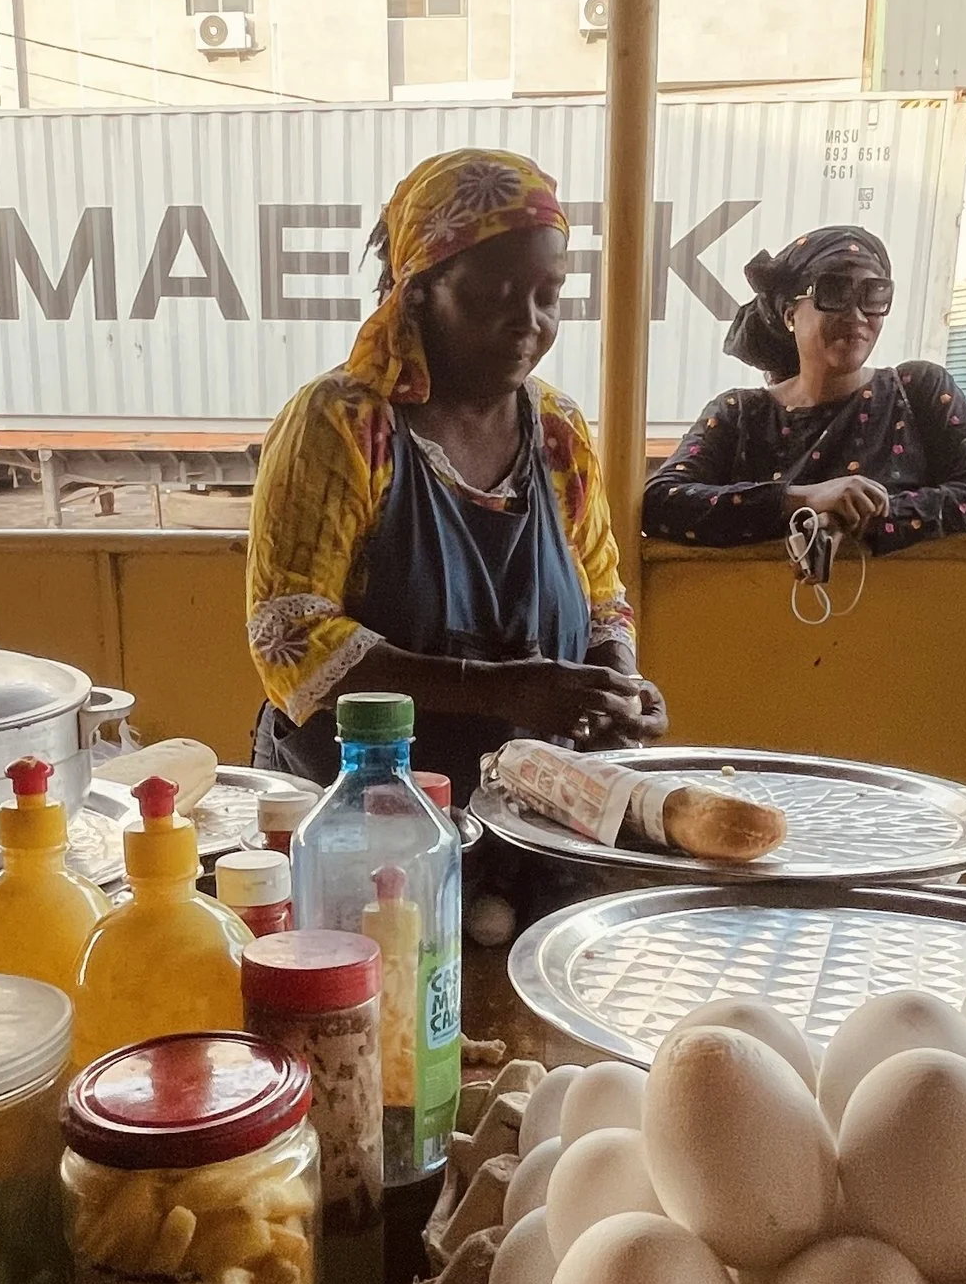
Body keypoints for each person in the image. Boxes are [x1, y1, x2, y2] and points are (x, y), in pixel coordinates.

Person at [247, 148, 666, 799]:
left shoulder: (558, 430)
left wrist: (616, 681)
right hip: (362, 812)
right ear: (418, 291)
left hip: (529, 806)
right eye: (495, 296)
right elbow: (292, 638)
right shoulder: (344, 426)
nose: (528, 323)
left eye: (547, 296)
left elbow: (604, 599)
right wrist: (503, 689)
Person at [643, 224, 966, 551]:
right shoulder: (740, 415)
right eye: (833, 294)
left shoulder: (917, 390)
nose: (856, 316)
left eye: (874, 295)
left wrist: (867, 515)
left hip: (903, 623)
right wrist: (800, 501)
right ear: (789, 314)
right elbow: (660, 502)